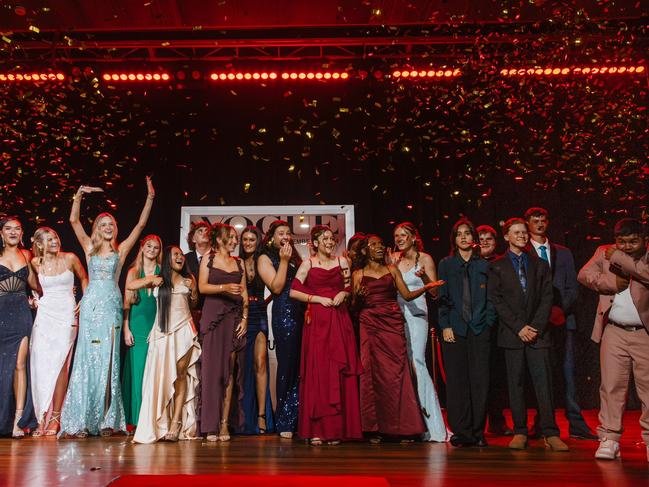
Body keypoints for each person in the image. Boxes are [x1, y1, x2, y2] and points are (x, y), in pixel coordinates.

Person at [60, 178, 154, 437]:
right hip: (91, 308)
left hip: (112, 306)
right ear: (97, 229)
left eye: (111, 224)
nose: (108, 227)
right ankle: (80, 420)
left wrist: (150, 198)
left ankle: (105, 420)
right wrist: (78, 196)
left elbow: (141, 225)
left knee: (108, 362)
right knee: (86, 362)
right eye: (103, 225)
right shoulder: (89, 249)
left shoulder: (121, 251)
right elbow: (73, 222)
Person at [487, 218, 568, 451]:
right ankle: (520, 431)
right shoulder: (497, 266)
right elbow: (497, 300)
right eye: (516, 232)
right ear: (506, 237)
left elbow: (546, 298)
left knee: (544, 384)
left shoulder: (539, 264)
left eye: (524, 232)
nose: (522, 236)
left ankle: (550, 432)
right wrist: (519, 327)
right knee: (516, 383)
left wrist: (535, 327)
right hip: (513, 335)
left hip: (538, 334)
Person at [352, 235, 443, 442]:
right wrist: (358, 296)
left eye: (380, 244)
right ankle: (374, 428)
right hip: (370, 324)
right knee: (371, 374)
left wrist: (427, 287)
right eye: (373, 244)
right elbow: (354, 307)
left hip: (391, 323)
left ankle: (404, 427)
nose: (379, 247)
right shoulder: (359, 274)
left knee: (397, 373)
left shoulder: (392, 270)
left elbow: (407, 295)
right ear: (365, 250)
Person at [577, 218, 649, 461]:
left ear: (644, 239)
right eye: (621, 242)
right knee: (611, 386)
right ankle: (609, 438)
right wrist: (609, 283)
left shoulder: (635, 255)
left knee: (648, 390)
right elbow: (584, 274)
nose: (627, 246)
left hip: (644, 334)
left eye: (633, 241)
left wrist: (618, 258)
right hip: (614, 331)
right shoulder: (602, 252)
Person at [525, 207, 597, 440]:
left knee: (568, 374)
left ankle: (576, 424)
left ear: (548, 222)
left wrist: (559, 310)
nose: (539, 223)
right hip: (537, 324)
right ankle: (542, 422)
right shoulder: (523, 253)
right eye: (534, 220)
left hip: (563, 321)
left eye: (543, 219)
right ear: (527, 224)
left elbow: (572, 287)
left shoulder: (563, 252)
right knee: (539, 375)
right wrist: (542, 314)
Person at [290, 225, 362, 445]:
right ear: (315, 242)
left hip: (339, 320)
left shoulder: (343, 262)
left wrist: (343, 292)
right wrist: (317, 299)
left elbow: (349, 288)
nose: (330, 242)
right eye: (326, 239)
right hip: (318, 322)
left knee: (339, 372)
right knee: (319, 372)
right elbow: (293, 291)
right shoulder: (307, 264)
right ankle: (318, 429)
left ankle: (337, 430)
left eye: (332, 238)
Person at [133, 246, 201, 443]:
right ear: (167, 260)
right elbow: (130, 286)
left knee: (180, 376)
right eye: (175, 255)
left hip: (183, 331)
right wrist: (149, 280)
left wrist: (194, 290)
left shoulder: (189, 279)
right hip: (161, 333)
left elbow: (194, 304)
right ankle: (160, 423)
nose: (180, 257)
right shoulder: (158, 279)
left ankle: (176, 421)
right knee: (160, 378)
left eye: (181, 255)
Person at [438, 219, 496, 447]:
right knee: (456, 381)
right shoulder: (446, 264)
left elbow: (492, 299)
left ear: (474, 239)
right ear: (454, 239)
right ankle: (461, 432)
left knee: (480, 381)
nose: (463, 237)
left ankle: (477, 431)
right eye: (459, 234)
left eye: (467, 233)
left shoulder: (484, 265)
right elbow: (442, 298)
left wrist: (488, 322)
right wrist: (445, 326)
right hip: (455, 328)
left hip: (479, 328)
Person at [390, 222, 447, 442]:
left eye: (404, 235)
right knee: (401, 366)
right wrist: (390, 268)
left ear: (414, 237)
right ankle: (408, 424)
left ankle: (431, 426)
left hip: (416, 317)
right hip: (395, 317)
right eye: (396, 236)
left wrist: (423, 278)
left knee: (417, 362)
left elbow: (435, 294)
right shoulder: (393, 258)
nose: (399, 239)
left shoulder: (424, 259)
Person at [30, 227, 88, 437]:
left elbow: (84, 278)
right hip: (45, 316)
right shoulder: (36, 263)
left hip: (66, 314)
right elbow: (34, 286)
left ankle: (56, 417)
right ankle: (40, 417)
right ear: (39, 244)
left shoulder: (70, 258)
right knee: (43, 366)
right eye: (48, 239)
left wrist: (84, 298)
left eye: (55, 237)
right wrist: (35, 299)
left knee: (61, 364)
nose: (54, 241)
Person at [199, 223, 248, 442]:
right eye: (231, 237)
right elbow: (202, 288)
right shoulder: (208, 259)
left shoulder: (239, 263)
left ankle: (224, 424)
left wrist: (245, 318)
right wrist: (224, 288)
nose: (235, 241)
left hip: (234, 318)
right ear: (219, 239)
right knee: (212, 372)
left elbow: (245, 293)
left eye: (236, 237)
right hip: (213, 318)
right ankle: (210, 425)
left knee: (229, 372)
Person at [257, 220, 305, 439]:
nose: (285, 236)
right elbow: (276, 287)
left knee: (301, 366)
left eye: (288, 233)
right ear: (272, 238)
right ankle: (284, 420)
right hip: (284, 313)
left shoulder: (297, 259)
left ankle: (300, 419)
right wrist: (284, 261)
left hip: (303, 311)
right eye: (280, 233)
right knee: (286, 365)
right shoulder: (266, 258)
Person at [0, 216, 38, 437]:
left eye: (17, 228)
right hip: (1, 311)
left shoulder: (27, 255)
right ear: (1, 233)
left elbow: (34, 284)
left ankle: (18, 420)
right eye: (8, 228)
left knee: (19, 364)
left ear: (22, 233)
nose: (13, 232)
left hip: (21, 314)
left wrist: (51, 293)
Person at [121, 234, 162, 428]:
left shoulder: (162, 272)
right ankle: (137, 420)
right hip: (137, 323)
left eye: (156, 247)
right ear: (142, 247)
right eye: (149, 246)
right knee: (137, 371)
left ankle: (152, 418)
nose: (152, 250)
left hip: (156, 323)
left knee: (153, 371)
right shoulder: (133, 271)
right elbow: (127, 302)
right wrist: (126, 328)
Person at [477, 224, 513, 437]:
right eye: (480, 239)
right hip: (478, 324)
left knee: (497, 377)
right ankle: (477, 423)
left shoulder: (503, 262)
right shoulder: (470, 263)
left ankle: (497, 421)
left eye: (489, 238)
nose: (484, 242)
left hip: (501, 325)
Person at [239, 226, 275, 435]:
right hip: (241, 314)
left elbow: (276, 286)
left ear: (258, 241)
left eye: (252, 239)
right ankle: (243, 417)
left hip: (259, 313)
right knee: (243, 368)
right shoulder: (237, 262)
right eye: (245, 239)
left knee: (260, 362)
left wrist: (263, 301)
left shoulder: (263, 260)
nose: (248, 243)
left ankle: (261, 415)